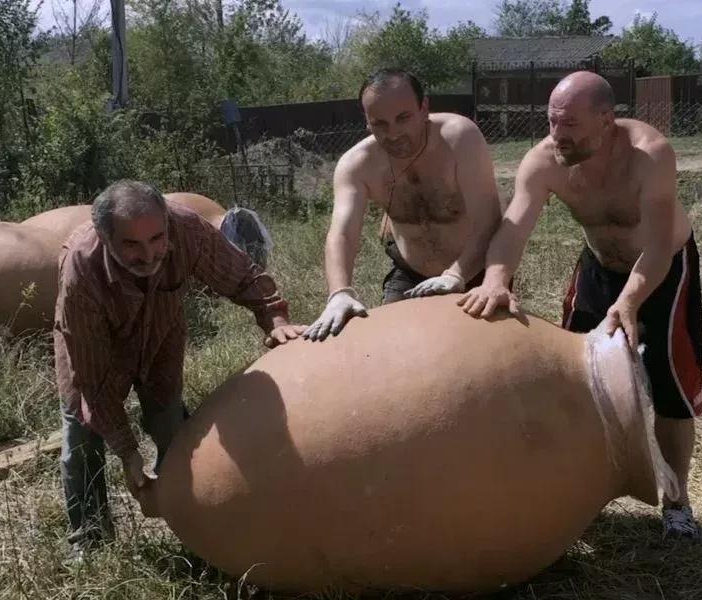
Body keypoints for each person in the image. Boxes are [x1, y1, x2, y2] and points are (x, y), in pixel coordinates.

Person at [458, 71, 702, 540]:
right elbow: (513, 227)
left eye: (569, 125)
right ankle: (585, 492)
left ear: (607, 120)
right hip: (597, 267)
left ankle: (677, 502)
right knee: (575, 376)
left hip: (665, 268)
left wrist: (629, 302)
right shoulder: (545, 159)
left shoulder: (650, 154)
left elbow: (656, 246)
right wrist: (495, 279)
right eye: (552, 122)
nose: (557, 135)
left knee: (671, 390)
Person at [55, 180, 305, 556]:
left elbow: (242, 276)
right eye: (132, 245)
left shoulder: (187, 230)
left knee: (172, 426)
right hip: (95, 349)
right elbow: (93, 380)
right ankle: (90, 542)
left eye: (157, 239)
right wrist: (126, 451)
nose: (149, 253)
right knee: (83, 439)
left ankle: (192, 519)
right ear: (106, 239)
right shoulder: (81, 271)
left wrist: (275, 319)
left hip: (160, 337)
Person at [302, 68, 502, 341]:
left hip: (473, 271)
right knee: (393, 352)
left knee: (484, 358)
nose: (393, 133)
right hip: (411, 275)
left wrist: (456, 274)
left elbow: (488, 220)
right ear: (367, 121)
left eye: (403, 118)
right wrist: (339, 293)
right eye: (380, 123)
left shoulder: (459, 138)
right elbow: (342, 234)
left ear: (424, 108)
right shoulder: (357, 165)